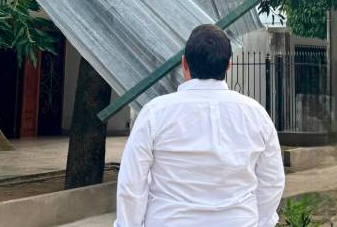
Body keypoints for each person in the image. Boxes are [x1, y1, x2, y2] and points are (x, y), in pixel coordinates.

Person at [116, 24, 285, 227]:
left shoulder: (155, 113)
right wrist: (261, 222)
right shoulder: (256, 114)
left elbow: (131, 185)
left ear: (184, 63)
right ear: (229, 65)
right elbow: (272, 181)